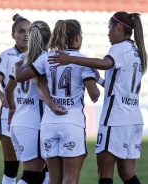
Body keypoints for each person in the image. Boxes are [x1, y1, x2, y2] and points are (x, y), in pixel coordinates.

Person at [48, 12, 148, 184]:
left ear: (118, 27)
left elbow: (104, 63)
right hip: (134, 119)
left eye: (109, 28)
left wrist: (71, 59)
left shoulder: (119, 48)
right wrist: (99, 79)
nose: (108, 34)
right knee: (127, 173)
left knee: (105, 174)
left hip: (115, 120)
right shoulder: (137, 52)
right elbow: (118, 85)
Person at [14, 19, 100, 184]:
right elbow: (94, 94)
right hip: (71, 123)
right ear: (77, 38)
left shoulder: (47, 58)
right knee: (71, 179)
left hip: (48, 123)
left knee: (53, 180)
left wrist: (52, 104)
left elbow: (30, 80)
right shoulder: (82, 61)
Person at [5, 20, 63, 184]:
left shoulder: (21, 60)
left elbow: (8, 90)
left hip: (18, 122)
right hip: (35, 124)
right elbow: (41, 85)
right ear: (49, 39)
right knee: (32, 175)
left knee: (40, 174)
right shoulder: (46, 60)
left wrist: (11, 109)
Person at [0, 13, 31, 184]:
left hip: (31, 116)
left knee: (38, 168)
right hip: (9, 116)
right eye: (20, 31)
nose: (26, 35)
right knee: (12, 167)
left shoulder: (38, 56)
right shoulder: (6, 56)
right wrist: (1, 95)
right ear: (13, 35)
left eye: (29, 31)